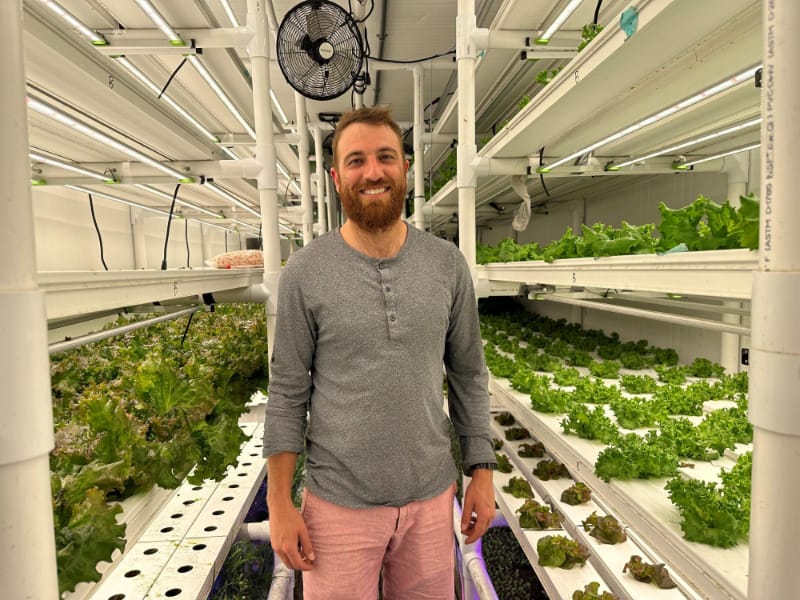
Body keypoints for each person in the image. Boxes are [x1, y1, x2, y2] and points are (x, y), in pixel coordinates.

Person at [263, 106, 496, 599]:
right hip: (338, 508)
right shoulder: (306, 272)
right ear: (335, 176)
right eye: (356, 160)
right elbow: (286, 392)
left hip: (432, 501)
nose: (373, 172)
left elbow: (469, 374)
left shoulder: (448, 265)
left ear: (405, 167)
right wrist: (279, 502)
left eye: (385, 157)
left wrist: (482, 470)